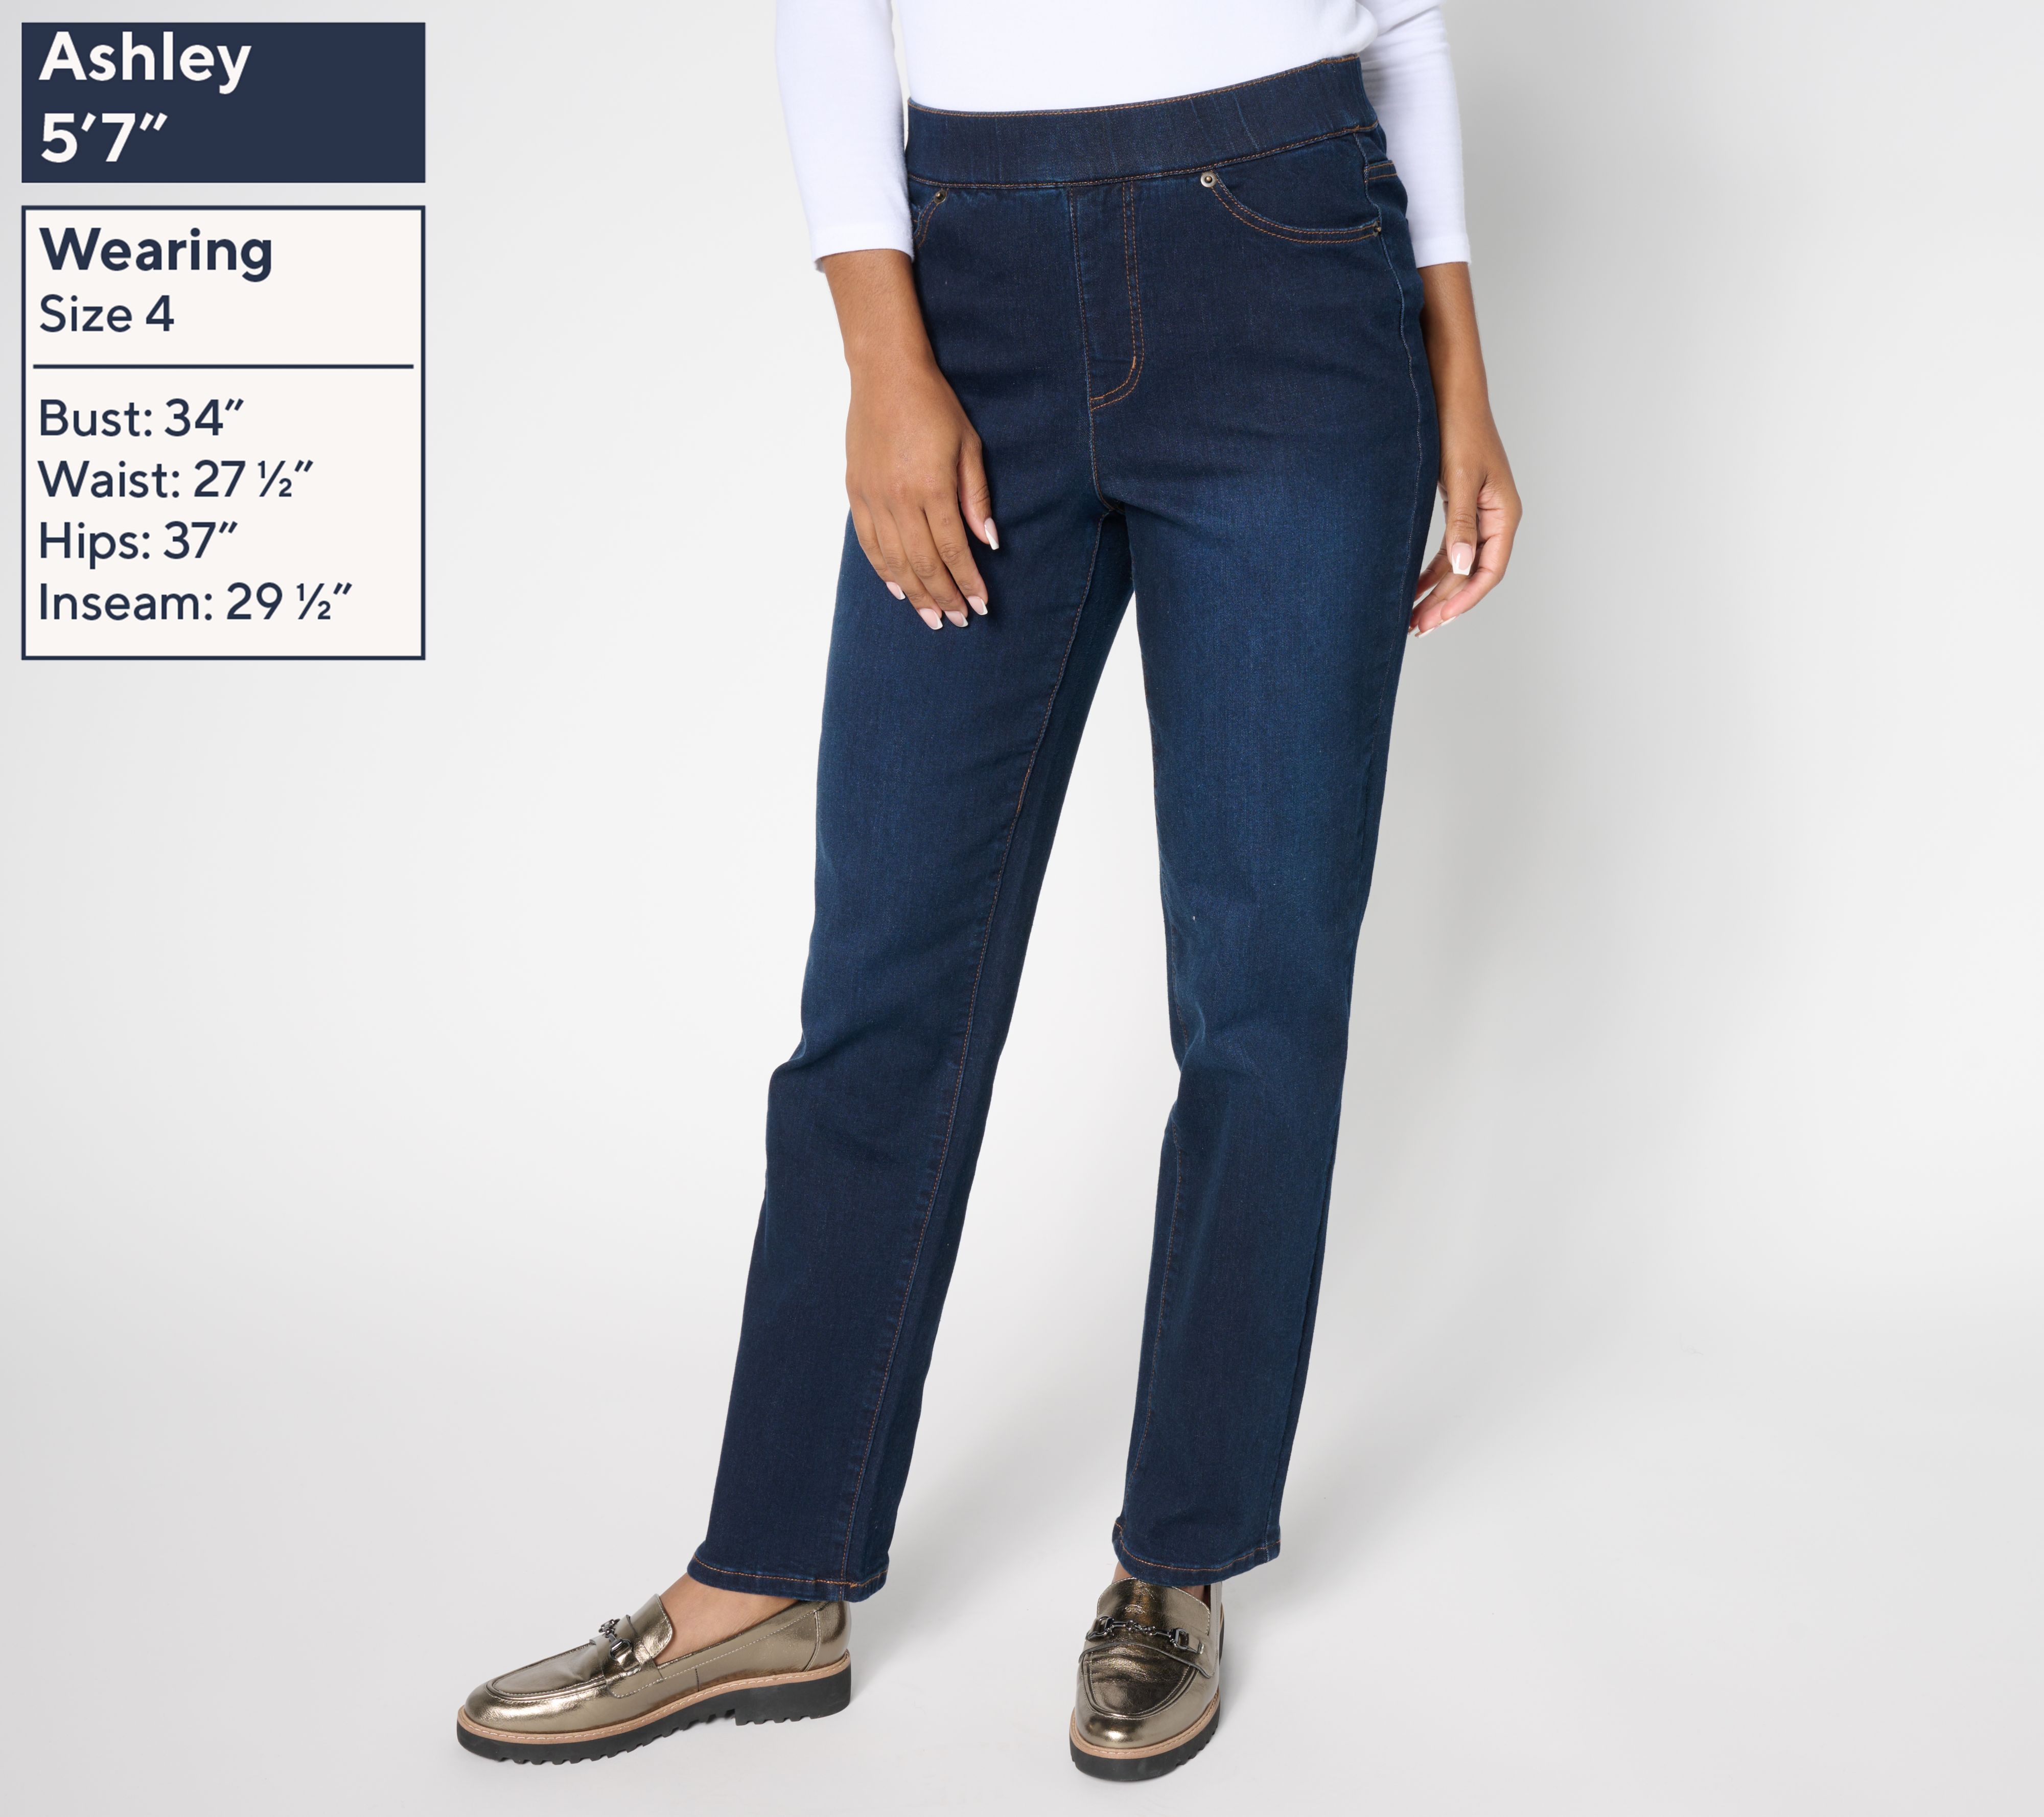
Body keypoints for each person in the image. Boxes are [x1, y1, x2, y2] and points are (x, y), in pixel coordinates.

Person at [457, 0, 1519, 1781]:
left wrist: (1462, 374)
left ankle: (1178, 1556)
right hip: (976, 294)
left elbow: (1398, 20)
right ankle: (768, 1573)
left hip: (1298, 269)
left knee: (1262, 985)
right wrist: (884, 353)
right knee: (889, 976)